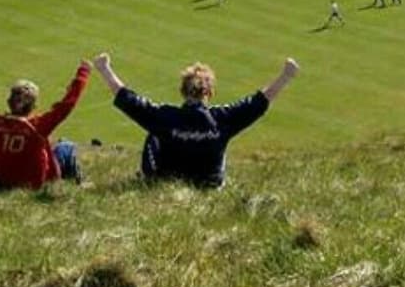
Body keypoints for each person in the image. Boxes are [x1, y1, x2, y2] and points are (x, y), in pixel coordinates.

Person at [92, 52, 300, 188]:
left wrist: (105, 69)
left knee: (153, 134)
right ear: (209, 92)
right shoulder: (223, 119)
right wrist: (286, 76)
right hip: (209, 184)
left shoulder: (166, 116)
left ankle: (147, 179)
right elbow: (258, 103)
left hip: (168, 180)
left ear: (182, 91)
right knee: (223, 140)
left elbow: (130, 100)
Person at [0, 50, 90, 189]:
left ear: (9, 101)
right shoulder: (38, 126)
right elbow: (66, 105)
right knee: (65, 146)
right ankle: (77, 184)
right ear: (33, 106)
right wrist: (83, 74)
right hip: (33, 185)